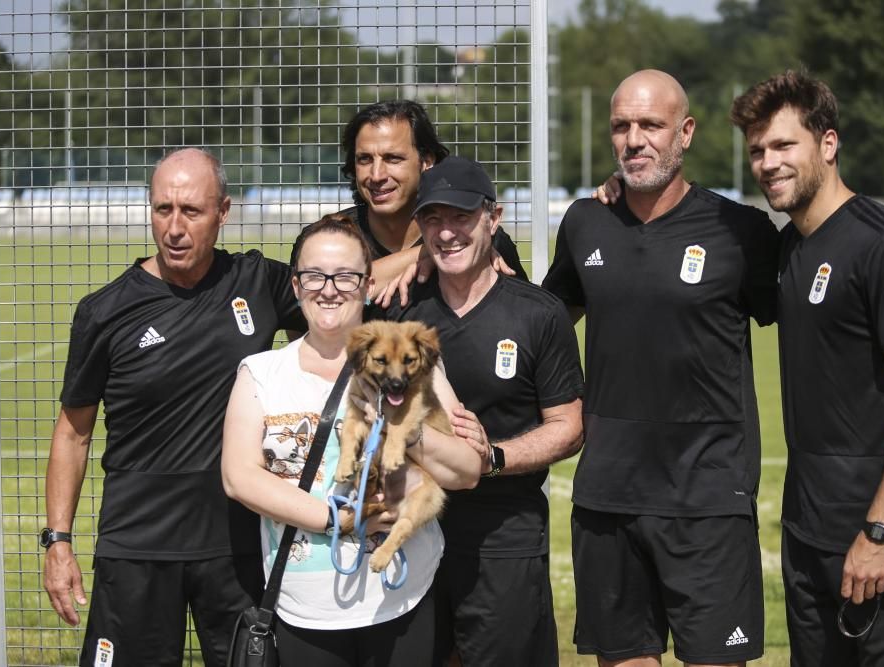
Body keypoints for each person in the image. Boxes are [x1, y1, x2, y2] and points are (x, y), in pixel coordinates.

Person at [543, 70, 779, 667]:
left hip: (708, 496)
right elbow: (540, 323)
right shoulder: (584, 222)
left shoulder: (740, 230)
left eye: (650, 124)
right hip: (608, 496)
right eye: (622, 125)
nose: (634, 139)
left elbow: (807, 327)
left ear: (686, 132)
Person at [42, 147, 306, 666]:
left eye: (192, 211)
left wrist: (428, 252)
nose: (175, 227)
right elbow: (73, 434)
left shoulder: (257, 282)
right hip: (135, 546)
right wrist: (58, 541)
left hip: (237, 546)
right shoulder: (105, 311)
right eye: (163, 209)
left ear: (223, 213)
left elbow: (340, 286)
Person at [731, 70, 884, 666]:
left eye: (784, 145)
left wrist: (879, 533)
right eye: (757, 150)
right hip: (809, 534)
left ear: (828, 145)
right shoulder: (789, 248)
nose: (768, 163)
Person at [221, 213, 483, 665]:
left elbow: (467, 471)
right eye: (314, 275)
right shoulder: (261, 373)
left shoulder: (409, 362)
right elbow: (239, 478)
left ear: (366, 284)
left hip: (404, 599)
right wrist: (334, 519)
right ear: (296, 286)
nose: (329, 288)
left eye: (345, 276)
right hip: (305, 609)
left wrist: (405, 425)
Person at [389, 155, 585, 666]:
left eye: (461, 217)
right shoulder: (405, 313)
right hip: (414, 534)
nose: (447, 232)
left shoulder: (537, 313)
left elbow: (568, 427)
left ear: (492, 220)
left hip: (504, 538)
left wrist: (494, 456)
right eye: (433, 218)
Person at [333, 99, 527, 290]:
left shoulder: (481, 234)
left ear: (426, 162)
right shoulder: (330, 238)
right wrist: (442, 250)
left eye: (393, 159)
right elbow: (332, 291)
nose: (376, 175)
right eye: (364, 159)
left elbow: (527, 312)